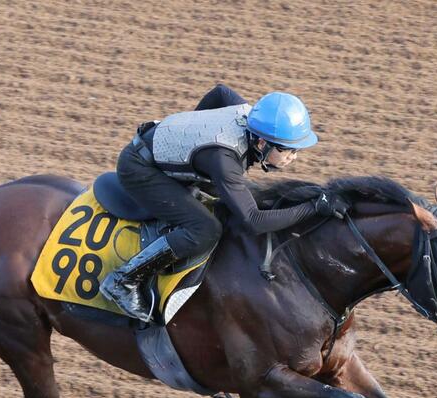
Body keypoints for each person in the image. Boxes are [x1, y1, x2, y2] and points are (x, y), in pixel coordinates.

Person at [100, 83, 344, 322]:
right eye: (287, 150)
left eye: (296, 151)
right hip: (139, 170)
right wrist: (313, 208)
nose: (293, 157)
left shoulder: (249, 115)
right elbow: (254, 221)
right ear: (261, 143)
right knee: (206, 229)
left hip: (156, 152)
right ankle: (124, 280)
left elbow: (220, 92)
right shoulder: (224, 161)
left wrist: (190, 136)